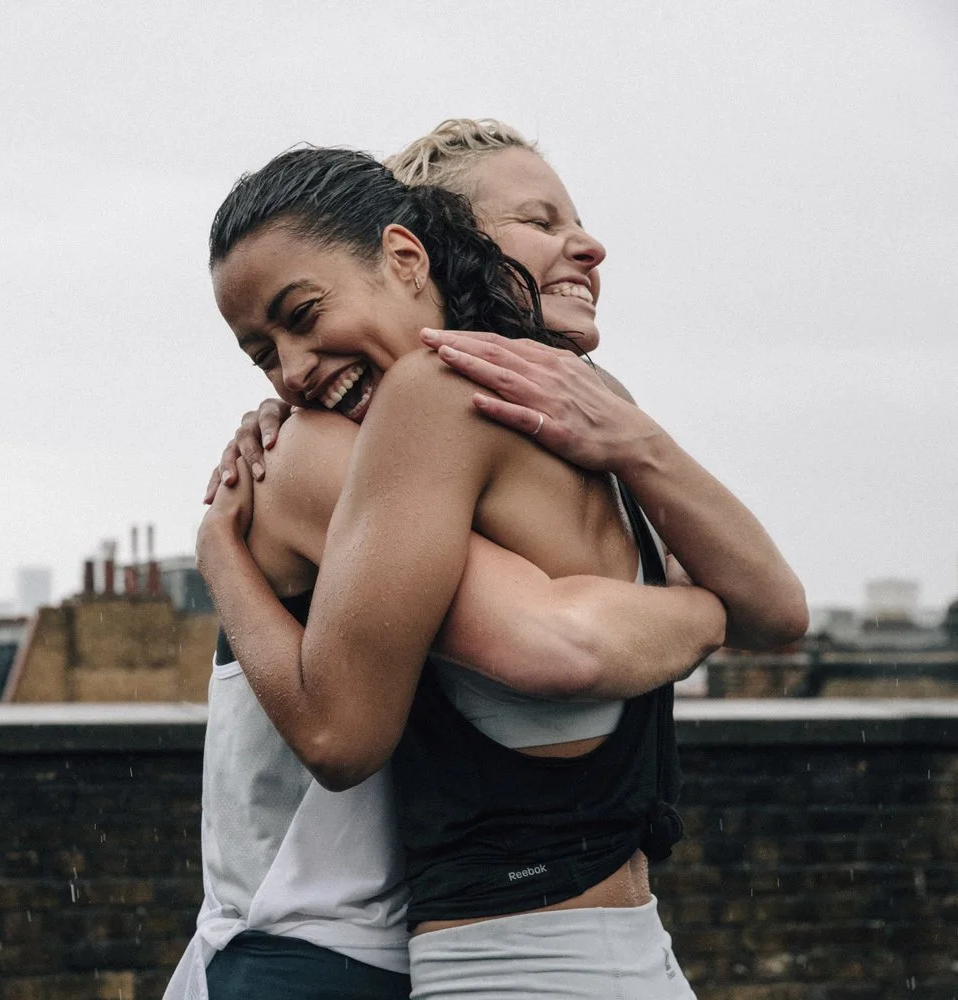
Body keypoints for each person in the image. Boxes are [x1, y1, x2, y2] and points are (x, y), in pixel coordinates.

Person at [190, 143, 801, 999]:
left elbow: (767, 613)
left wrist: (644, 453)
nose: (583, 247)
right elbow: (553, 642)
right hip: (328, 951)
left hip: (603, 949)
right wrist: (709, 609)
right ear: (423, 248)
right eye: (539, 222)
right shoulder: (363, 433)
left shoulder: (568, 414)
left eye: (302, 317)